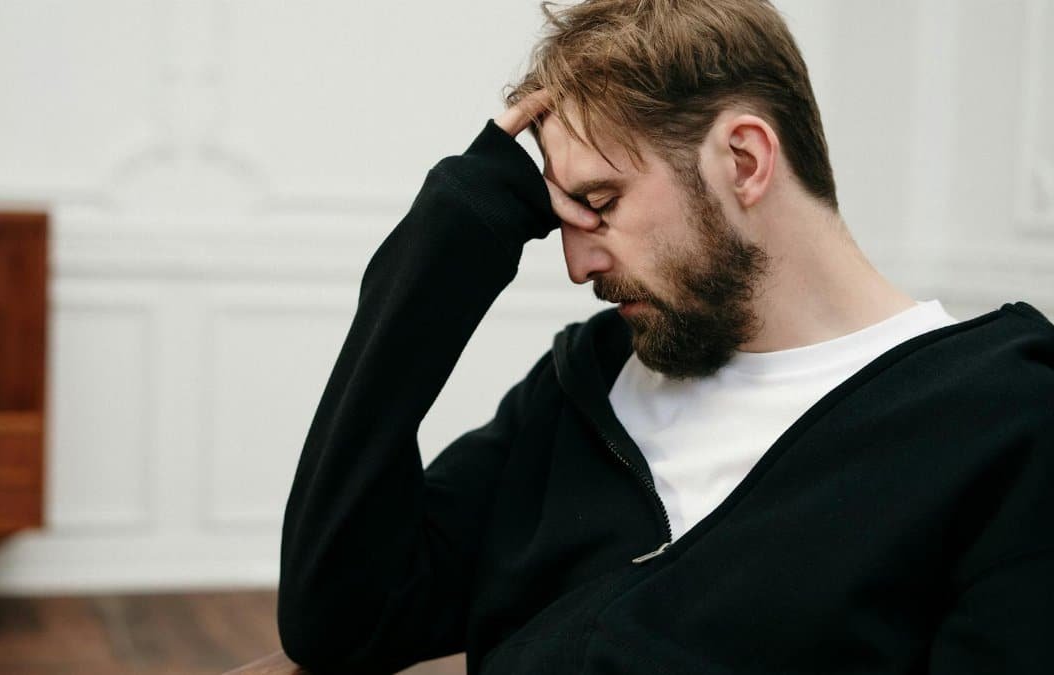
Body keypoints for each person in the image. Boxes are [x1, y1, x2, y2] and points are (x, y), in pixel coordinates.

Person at [276, 1, 1054, 673]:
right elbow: (338, 616)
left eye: (600, 201)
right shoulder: (587, 386)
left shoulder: (1001, 425)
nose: (577, 262)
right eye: (561, 215)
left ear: (743, 161)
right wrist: (448, 238)